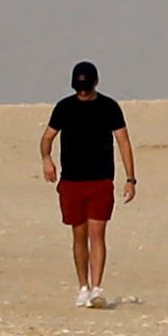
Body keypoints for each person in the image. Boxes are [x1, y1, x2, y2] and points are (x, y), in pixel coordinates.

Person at [38, 62, 136, 309]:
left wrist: (130, 178)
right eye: (79, 87)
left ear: (95, 83)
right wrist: (46, 159)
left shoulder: (109, 107)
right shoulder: (64, 107)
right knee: (79, 234)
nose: (83, 92)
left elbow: (123, 141)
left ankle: (97, 288)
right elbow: (47, 137)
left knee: (97, 234)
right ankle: (83, 287)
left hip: (101, 179)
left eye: (86, 87)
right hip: (71, 180)